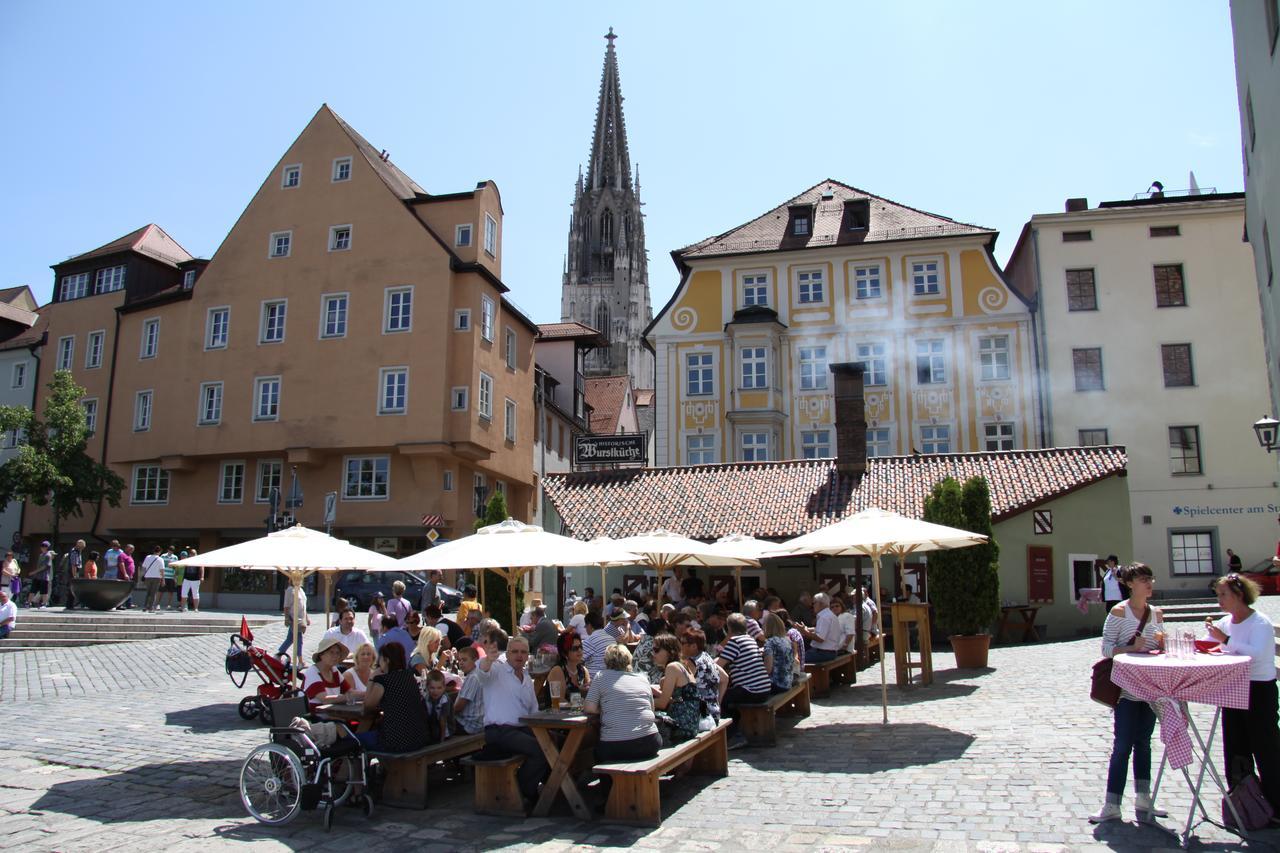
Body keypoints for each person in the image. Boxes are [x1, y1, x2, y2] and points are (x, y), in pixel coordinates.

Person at [1090, 563, 1164, 824]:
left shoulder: (1157, 613)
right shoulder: (1119, 612)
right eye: (1144, 579)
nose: (1149, 584)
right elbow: (1106, 649)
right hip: (1126, 690)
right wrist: (1130, 646)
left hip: (1151, 689)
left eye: (1150, 578)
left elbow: (1156, 647)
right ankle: (1112, 804)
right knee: (1122, 746)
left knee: (1144, 743)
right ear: (1131, 584)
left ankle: (1144, 798)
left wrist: (1161, 646)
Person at [1206, 573, 1280, 813]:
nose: (1220, 600)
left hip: (1259, 689)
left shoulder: (1260, 622)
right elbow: (1211, 642)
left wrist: (1225, 640)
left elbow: (1256, 654)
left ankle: (1276, 804)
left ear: (1238, 595)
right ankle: (1245, 804)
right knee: (1236, 747)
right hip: (1233, 688)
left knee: (1266, 748)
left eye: (1223, 595)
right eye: (1218, 595)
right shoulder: (1226, 622)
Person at [474, 633, 548, 807]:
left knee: (554, 742)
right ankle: (522, 790)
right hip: (499, 731)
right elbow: (482, 673)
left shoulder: (527, 678)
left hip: (522, 728)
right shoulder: (497, 669)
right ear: (507, 654)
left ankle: (550, 786)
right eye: (514, 652)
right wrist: (488, 659)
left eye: (523, 652)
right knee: (541, 749)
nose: (519, 656)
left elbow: (534, 711)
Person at [585, 644, 661, 762]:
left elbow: (589, 708)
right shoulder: (642, 678)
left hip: (616, 745)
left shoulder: (601, 677)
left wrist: (607, 708)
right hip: (649, 741)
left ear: (606, 661)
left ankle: (607, 781)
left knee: (596, 752)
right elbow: (651, 709)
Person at [353, 642, 432, 753]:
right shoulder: (409, 676)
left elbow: (368, 706)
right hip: (420, 737)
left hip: (396, 741)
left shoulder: (383, 681)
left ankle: (357, 769)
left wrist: (372, 678)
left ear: (386, 660)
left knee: (354, 739)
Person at [717, 613, 772, 749]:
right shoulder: (750, 639)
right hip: (763, 688)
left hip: (751, 690)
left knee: (721, 699)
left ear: (729, 628)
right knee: (729, 699)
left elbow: (718, 665)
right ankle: (736, 730)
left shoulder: (735, 642)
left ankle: (734, 736)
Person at [650, 633, 700, 743]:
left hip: (681, 725)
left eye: (656, 650)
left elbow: (663, 702)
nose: (653, 653)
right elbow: (677, 698)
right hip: (691, 722)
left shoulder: (672, 667)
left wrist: (639, 702)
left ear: (669, 651)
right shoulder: (683, 666)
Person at [681, 627, 728, 726]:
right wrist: (717, 701)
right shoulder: (707, 657)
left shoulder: (691, 663)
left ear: (693, 646)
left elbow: (682, 689)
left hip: (702, 717)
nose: (680, 646)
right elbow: (725, 678)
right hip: (714, 713)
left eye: (683, 643)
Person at [301, 636, 349, 711]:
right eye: (331, 652)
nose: (335, 656)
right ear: (321, 655)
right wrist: (348, 697)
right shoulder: (312, 672)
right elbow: (325, 699)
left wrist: (368, 695)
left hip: (334, 713)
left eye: (337, 653)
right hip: (316, 717)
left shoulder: (334, 670)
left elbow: (349, 691)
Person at [545, 629, 590, 705]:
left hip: (577, 713)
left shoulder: (583, 670)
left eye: (580, 647)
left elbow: (590, 697)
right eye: (574, 648)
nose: (579, 650)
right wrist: (579, 692)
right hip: (557, 715)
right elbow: (560, 701)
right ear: (564, 653)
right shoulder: (558, 670)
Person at [452, 644, 486, 735]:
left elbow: (459, 706)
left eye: (464, 660)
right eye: (459, 660)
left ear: (475, 661)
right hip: (480, 721)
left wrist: (447, 714)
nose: (461, 663)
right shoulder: (480, 673)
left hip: (470, 724)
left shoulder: (473, 677)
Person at [803, 593, 844, 662]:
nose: (812, 606)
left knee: (796, 659)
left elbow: (820, 638)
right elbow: (824, 631)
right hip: (829, 652)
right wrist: (807, 629)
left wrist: (805, 632)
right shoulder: (829, 615)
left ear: (821, 604)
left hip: (823, 653)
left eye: (814, 603)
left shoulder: (824, 617)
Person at [761, 611, 796, 692]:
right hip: (788, 682)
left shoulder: (770, 642)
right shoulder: (787, 640)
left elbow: (768, 669)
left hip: (776, 685)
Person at [277, 582, 310, 659]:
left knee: (290, 639)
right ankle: (300, 660)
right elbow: (286, 606)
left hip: (301, 619)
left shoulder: (301, 590)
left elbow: (303, 606)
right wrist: (286, 618)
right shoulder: (290, 590)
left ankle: (278, 655)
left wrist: (307, 618)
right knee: (299, 640)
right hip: (294, 618)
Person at [423, 670, 452, 743]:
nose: (435, 691)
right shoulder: (426, 699)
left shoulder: (444, 700)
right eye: (432, 688)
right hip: (432, 727)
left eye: (439, 688)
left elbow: (443, 720)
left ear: (444, 687)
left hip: (446, 729)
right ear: (427, 687)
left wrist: (442, 739)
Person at [581, 611, 613, 676]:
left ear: (589, 625)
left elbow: (577, 660)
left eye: (585, 626)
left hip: (594, 680)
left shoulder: (590, 641)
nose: (585, 628)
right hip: (610, 678)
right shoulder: (611, 638)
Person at [141, 545, 165, 613]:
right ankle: (151, 608)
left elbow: (144, 567)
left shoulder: (147, 557)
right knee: (153, 593)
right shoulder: (160, 559)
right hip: (156, 577)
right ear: (159, 551)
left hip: (148, 577)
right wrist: (163, 580)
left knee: (148, 593)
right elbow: (162, 570)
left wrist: (144, 575)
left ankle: (145, 606)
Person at [117, 544, 136, 609]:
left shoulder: (129, 556)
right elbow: (121, 564)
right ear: (126, 548)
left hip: (129, 576)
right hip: (123, 576)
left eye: (132, 549)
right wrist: (125, 574)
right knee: (122, 591)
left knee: (128, 590)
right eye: (130, 549)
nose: (131, 550)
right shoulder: (122, 555)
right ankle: (119, 605)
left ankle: (129, 604)